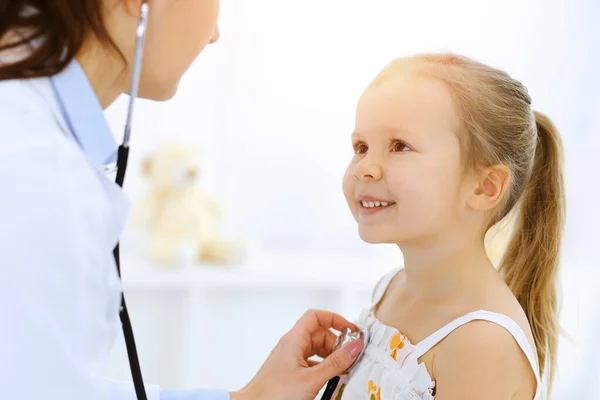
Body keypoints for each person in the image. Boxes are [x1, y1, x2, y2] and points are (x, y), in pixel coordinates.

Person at [0, 1, 364, 399]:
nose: (214, 33)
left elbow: (53, 387)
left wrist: (250, 398)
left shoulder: (35, 137)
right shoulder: (38, 172)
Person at [334, 53, 565, 399]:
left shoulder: (481, 342)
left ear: (484, 187)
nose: (365, 167)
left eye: (400, 146)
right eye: (361, 147)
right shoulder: (390, 289)